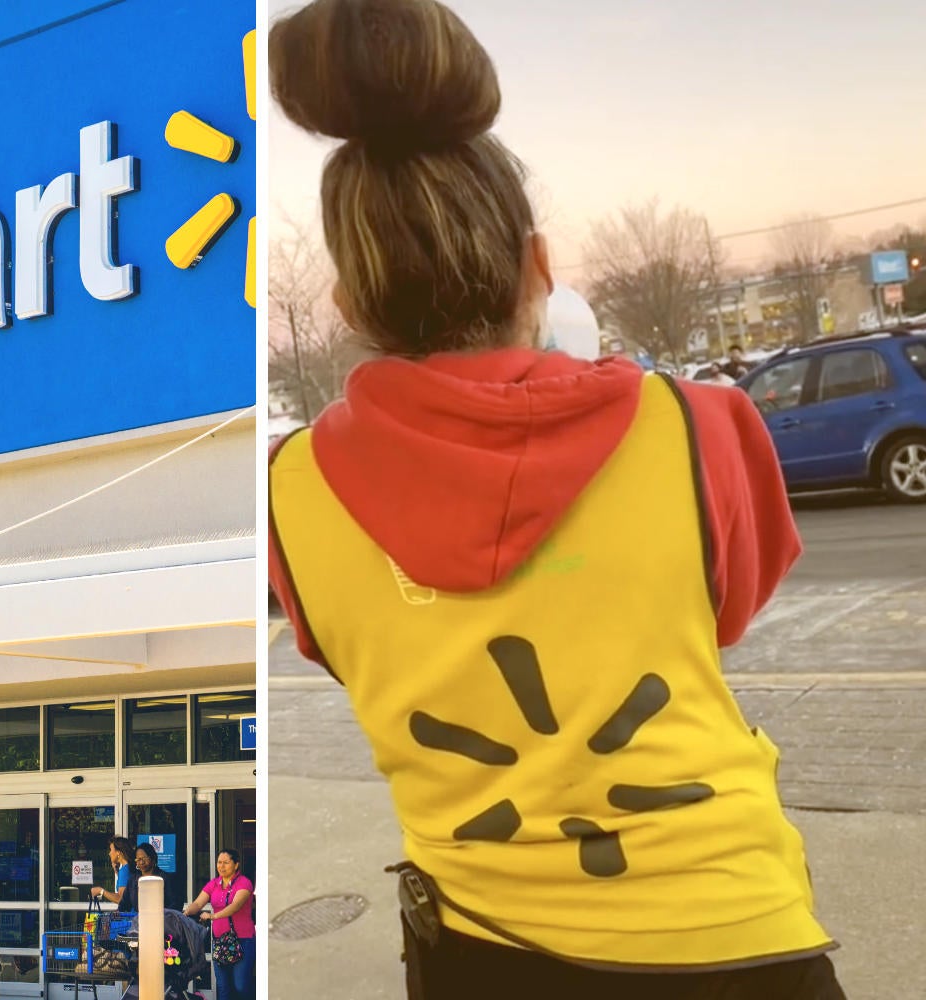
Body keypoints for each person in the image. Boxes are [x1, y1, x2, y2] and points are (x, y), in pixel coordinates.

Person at [266, 2, 843, 998]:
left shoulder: (288, 498)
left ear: (351, 307)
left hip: (475, 952)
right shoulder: (697, 426)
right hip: (728, 934)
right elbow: (721, 615)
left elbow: (343, 651)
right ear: (537, 267)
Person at [183, 849, 254, 1000]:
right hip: (220, 941)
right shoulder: (214, 884)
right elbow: (198, 902)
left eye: (226, 862)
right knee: (223, 987)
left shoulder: (244, 883)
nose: (221, 866)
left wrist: (213, 916)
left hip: (242, 940)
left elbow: (235, 906)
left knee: (240, 985)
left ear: (236, 865)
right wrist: (186, 913)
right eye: (219, 862)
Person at [88, 836, 134, 908]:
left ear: (118, 852)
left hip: (128, 916)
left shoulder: (125, 870)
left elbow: (120, 898)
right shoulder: (128, 868)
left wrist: (100, 891)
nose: (109, 853)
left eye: (111, 850)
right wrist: (117, 871)